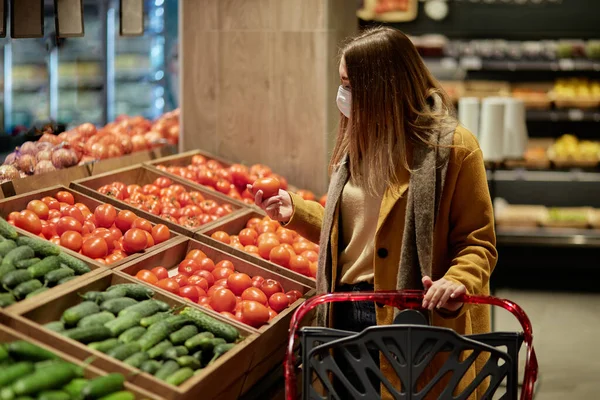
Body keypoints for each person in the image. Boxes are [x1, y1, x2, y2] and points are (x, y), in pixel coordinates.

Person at [249, 26, 497, 399]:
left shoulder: (455, 149)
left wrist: (458, 279)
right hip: (345, 313)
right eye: (342, 84)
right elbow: (357, 236)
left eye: (350, 85)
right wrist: (295, 212)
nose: (342, 96)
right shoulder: (360, 141)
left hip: (417, 320)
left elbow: (479, 242)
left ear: (384, 87)